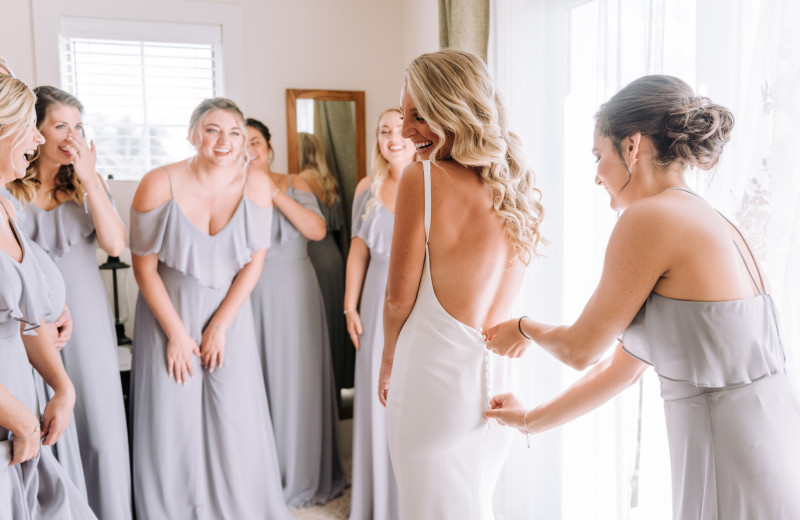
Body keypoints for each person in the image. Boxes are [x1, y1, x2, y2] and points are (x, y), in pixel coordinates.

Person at [484, 75, 800, 519]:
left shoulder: (649, 218)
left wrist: (523, 327)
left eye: (599, 155)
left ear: (632, 145)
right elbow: (621, 370)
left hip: (728, 450)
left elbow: (580, 350)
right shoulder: (710, 218)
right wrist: (529, 419)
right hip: (771, 440)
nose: (596, 175)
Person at [380, 50, 545, 520]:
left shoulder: (423, 179)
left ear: (454, 108)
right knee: (474, 502)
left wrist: (388, 360)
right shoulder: (514, 185)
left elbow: (397, 299)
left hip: (431, 375)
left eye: (420, 115)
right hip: (497, 377)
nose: (407, 130)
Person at [130, 99, 292, 519]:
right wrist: (177, 334)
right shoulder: (157, 183)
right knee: (172, 419)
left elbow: (254, 260)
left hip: (229, 313)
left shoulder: (256, 185)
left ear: (245, 141)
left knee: (235, 415)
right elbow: (143, 268)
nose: (224, 141)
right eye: (212, 129)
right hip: (169, 312)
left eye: (234, 132)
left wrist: (220, 324)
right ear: (192, 134)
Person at [5, 85, 131, 519]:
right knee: (44, 422)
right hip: (26, 324)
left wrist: (90, 178)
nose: (70, 136)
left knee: (100, 427)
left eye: (77, 127)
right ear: (34, 129)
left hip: (89, 318)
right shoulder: (8, 191)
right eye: (60, 125)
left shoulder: (84, 186)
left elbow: (116, 245)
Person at [0, 73, 96, 519]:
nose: (38, 137)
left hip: (22, 392)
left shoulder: (6, 204)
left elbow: (25, 318)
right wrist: (19, 421)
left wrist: (61, 385)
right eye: (28, 124)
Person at [246, 118, 347, 507]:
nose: (249, 150)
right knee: (255, 380)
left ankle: (301, 472)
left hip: (294, 290)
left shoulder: (294, 182)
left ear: (269, 147)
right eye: (243, 142)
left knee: (297, 379)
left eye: (255, 141)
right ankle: (260, 475)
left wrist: (271, 192)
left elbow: (317, 229)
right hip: (247, 293)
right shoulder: (230, 191)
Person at [345, 107, 415, 520]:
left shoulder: (430, 181)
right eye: (384, 130)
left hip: (417, 299)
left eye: (400, 130)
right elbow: (358, 250)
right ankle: (377, 502)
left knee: (410, 394)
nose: (393, 138)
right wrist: (349, 306)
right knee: (376, 395)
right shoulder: (367, 188)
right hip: (374, 297)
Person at [297, 131, 352, 397]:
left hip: (315, 255)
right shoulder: (328, 180)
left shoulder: (301, 182)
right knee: (332, 319)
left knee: (317, 321)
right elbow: (338, 223)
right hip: (334, 255)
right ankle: (338, 380)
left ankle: (320, 383)